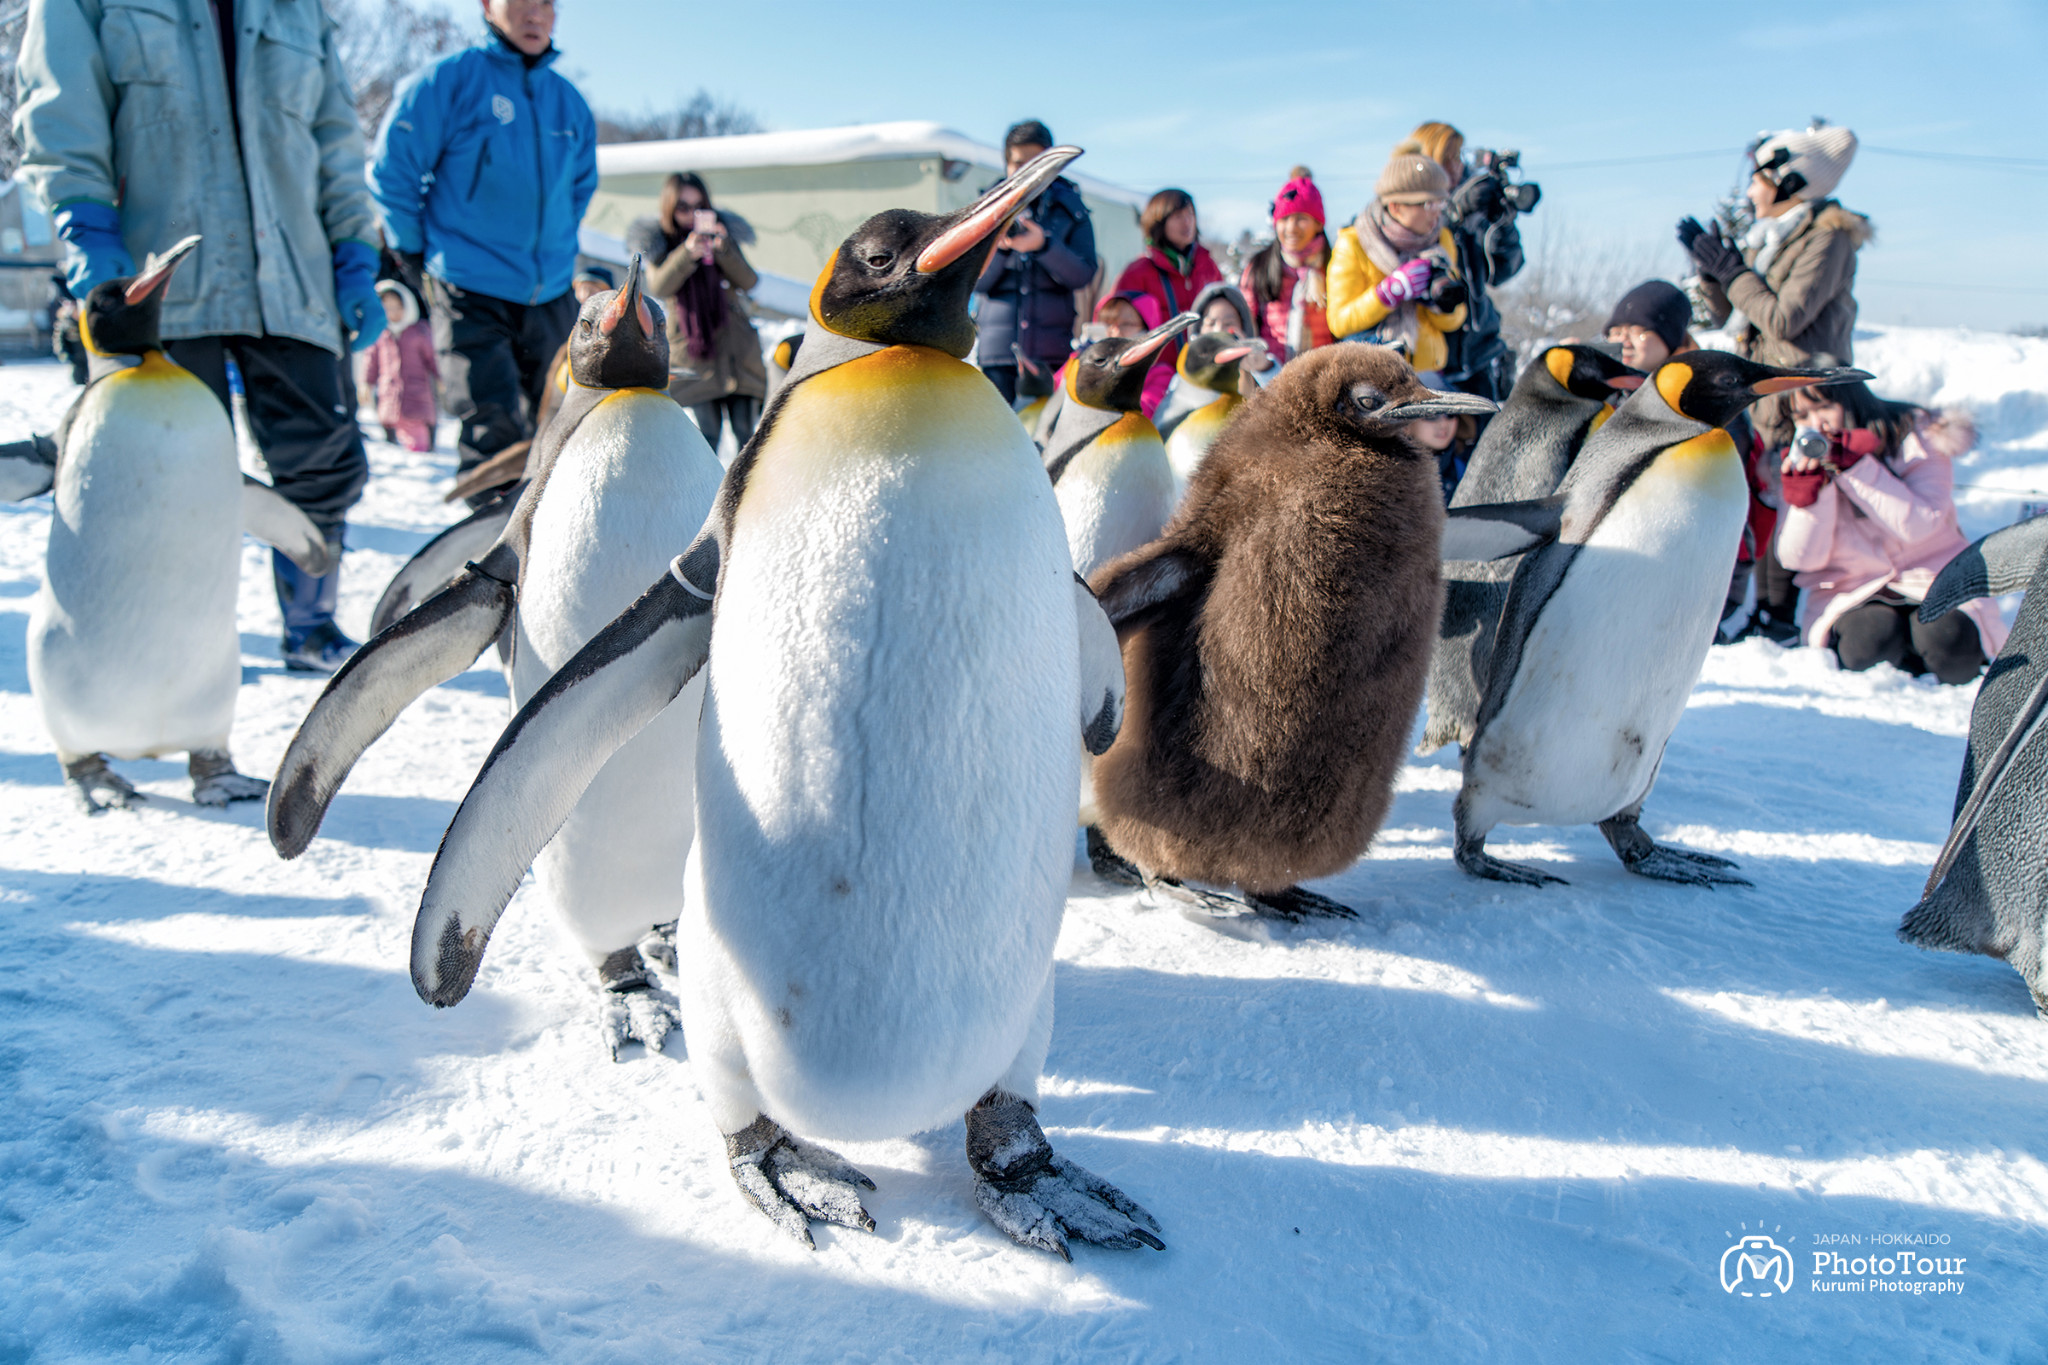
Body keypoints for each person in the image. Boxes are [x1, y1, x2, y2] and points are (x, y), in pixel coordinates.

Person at [17, 0, 385, 673]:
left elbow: (336, 138)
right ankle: (162, 650)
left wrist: (357, 255)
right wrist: (89, 236)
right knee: (162, 479)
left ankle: (310, 622)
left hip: (293, 278)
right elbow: (61, 114)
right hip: (158, 281)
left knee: (325, 462)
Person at [371, 0, 598, 509]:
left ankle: (556, 549)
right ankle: (492, 570)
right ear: (488, 7)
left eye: (547, 4)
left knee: (563, 425)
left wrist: (559, 250)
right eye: (521, 2)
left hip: (552, 291)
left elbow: (579, 190)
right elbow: (394, 172)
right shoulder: (449, 81)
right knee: (491, 427)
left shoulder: (569, 103)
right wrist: (410, 247)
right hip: (470, 285)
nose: (536, 14)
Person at [1774, 379, 2004, 683]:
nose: (1816, 423)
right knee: (1868, 642)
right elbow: (1800, 559)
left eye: (1824, 407)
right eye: (1802, 416)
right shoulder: (1798, 459)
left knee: (1949, 641)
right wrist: (1812, 496)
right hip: (1851, 590)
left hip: (1933, 578)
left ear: (1852, 402)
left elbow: (1919, 525)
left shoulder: (1917, 438)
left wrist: (1857, 467)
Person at [1679, 122, 1869, 450]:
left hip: (1802, 411)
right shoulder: (1766, 240)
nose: (1750, 192)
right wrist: (1714, 275)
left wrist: (1734, 273)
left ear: (1788, 181)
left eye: (1756, 181)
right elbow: (1731, 319)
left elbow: (1783, 320)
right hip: (1760, 407)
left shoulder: (1828, 238)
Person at [627, 172, 767, 452]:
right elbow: (660, 286)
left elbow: (749, 281)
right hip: (695, 355)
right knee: (707, 438)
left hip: (737, 351)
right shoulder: (660, 243)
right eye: (683, 207)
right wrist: (687, 253)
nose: (692, 214)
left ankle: (746, 495)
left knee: (746, 435)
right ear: (669, 208)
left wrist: (723, 249)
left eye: (699, 206)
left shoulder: (723, 235)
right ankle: (708, 496)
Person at [973, 120, 1097, 405]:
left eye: (1036, 162)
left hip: (1051, 356)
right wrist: (1001, 248)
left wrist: (1044, 246)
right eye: (1019, 163)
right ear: (1005, 164)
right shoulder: (986, 208)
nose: (1028, 171)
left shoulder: (1072, 209)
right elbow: (975, 281)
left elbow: (1082, 274)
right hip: (998, 355)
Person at [1406, 122, 1526, 402]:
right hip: (1428, 360)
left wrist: (1502, 218)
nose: (1456, 166)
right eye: (1447, 157)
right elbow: (1419, 252)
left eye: (1459, 156)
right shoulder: (1402, 209)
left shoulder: (1474, 202)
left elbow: (1504, 269)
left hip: (1479, 352)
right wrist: (1454, 213)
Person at [1326, 151, 1468, 377]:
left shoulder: (1442, 240)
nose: (1437, 213)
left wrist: (1437, 301)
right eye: (1428, 204)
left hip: (1429, 375)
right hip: (1372, 376)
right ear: (1395, 206)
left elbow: (1455, 320)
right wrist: (1388, 294)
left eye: (1441, 202)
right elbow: (1339, 323)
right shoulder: (1354, 242)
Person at [1112, 189, 1222, 368]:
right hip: (1156, 377)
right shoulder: (1137, 273)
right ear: (1159, 222)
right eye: (1178, 216)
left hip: (1203, 374)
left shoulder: (1208, 266)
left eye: (1190, 214)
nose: (1186, 222)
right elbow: (1117, 329)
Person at [1240, 170, 1332, 363]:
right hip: (1272, 374)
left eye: (1301, 218)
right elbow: (1246, 321)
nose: (1291, 228)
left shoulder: (1333, 265)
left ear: (1318, 223)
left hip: (1324, 375)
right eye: (1284, 219)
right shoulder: (1260, 266)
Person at [360, 281, 439, 452]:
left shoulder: (419, 331)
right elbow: (371, 362)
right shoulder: (380, 334)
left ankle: (424, 456)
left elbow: (433, 358)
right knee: (393, 445)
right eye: (387, 308)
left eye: (397, 307)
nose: (393, 313)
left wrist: (442, 378)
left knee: (418, 444)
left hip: (418, 396)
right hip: (389, 395)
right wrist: (366, 383)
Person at [1408, 409, 1479, 505]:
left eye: (1450, 414)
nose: (1444, 424)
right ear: (1405, 424)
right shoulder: (1388, 476)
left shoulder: (1471, 468)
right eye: (1431, 415)